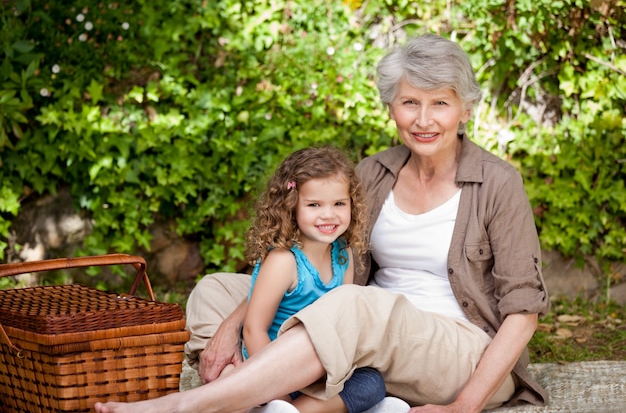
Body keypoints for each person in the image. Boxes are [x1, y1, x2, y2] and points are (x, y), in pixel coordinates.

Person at [94, 33, 550, 413]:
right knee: (217, 290)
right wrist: (238, 320)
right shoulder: (375, 172)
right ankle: (278, 398)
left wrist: (464, 406)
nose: (424, 119)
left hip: (457, 353)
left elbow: (523, 313)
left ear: (465, 110)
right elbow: (308, 258)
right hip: (358, 333)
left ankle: (189, 405)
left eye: (440, 104)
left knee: (359, 304)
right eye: (410, 102)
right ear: (392, 107)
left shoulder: (498, 183)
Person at [240, 146, 386, 413]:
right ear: (291, 206)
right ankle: (282, 408)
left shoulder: (343, 255)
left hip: (318, 369)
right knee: (251, 389)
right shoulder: (284, 261)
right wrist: (278, 392)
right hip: (272, 368)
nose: (328, 215)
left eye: (339, 203)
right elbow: (253, 330)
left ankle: (296, 411)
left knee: (373, 382)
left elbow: (344, 321)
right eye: (314, 205)